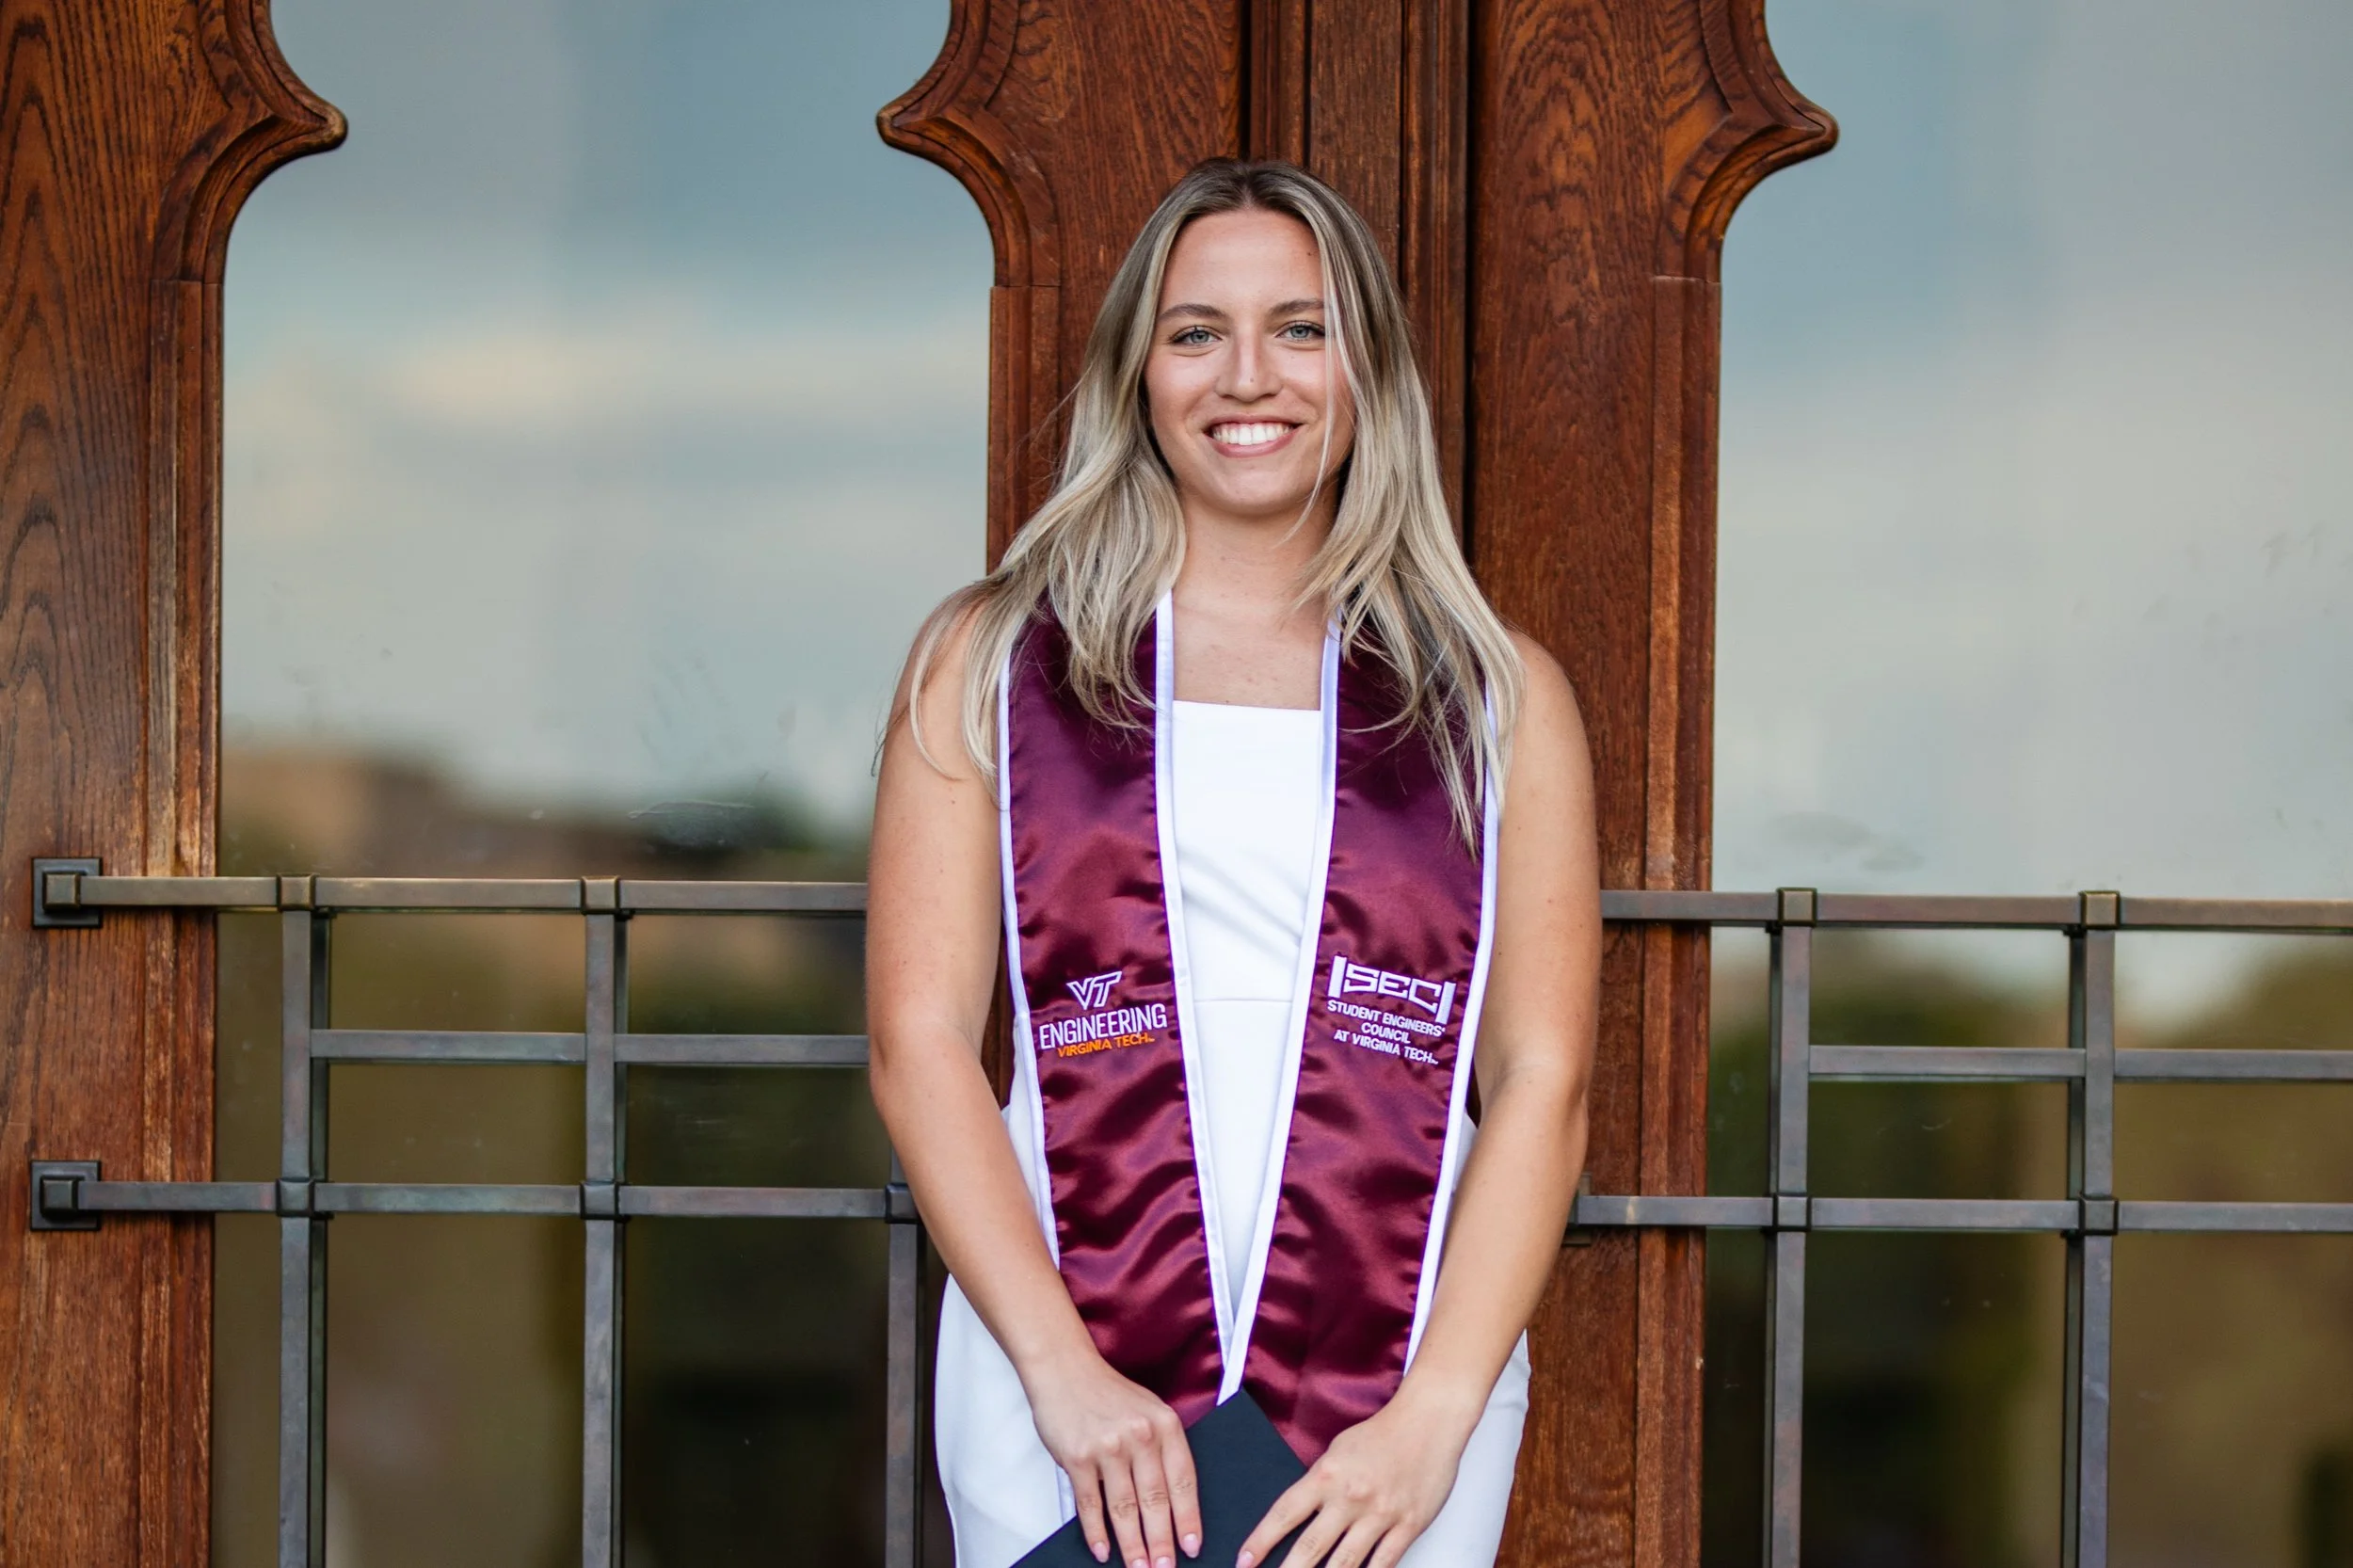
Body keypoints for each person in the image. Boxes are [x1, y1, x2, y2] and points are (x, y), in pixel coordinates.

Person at [868, 158, 1599, 1568]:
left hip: (1390, 1404)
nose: (1246, 377)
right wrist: (1065, 1380)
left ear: (1367, 368)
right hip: (1069, 1382)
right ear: (1136, 369)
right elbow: (918, 1043)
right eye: (1196, 330)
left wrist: (1436, 1413)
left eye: (1302, 328)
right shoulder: (990, 662)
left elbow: (1544, 1082)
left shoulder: (1499, 694)